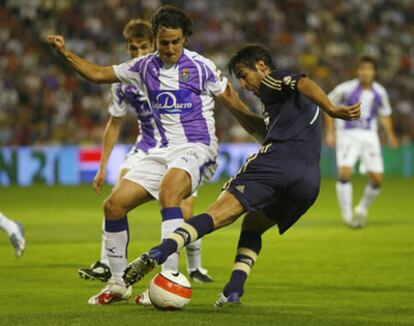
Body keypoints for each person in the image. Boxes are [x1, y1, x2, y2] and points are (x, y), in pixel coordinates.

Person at [47, 6, 265, 305]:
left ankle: (166, 279)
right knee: (113, 206)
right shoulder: (142, 67)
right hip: (161, 150)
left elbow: (233, 102)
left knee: (169, 192)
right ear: (156, 39)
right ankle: (117, 283)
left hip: (198, 147)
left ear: (184, 38)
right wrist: (65, 53)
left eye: (176, 41)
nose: (170, 48)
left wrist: (262, 134)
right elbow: (98, 74)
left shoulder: (201, 67)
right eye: (164, 42)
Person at [121, 45, 361, 306]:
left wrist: (332, 109)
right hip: (309, 182)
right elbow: (265, 126)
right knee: (252, 226)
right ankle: (234, 290)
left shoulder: (273, 78)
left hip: (276, 164)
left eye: (244, 75)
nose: (245, 84)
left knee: (215, 214)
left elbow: (303, 82)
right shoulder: (283, 106)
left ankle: (160, 251)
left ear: (260, 65)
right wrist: (235, 107)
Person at [76, 19, 212, 306]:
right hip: (149, 148)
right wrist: (103, 166)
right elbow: (113, 122)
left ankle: (185, 270)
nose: (138, 52)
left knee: (180, 205)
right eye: (132, 48)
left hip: (185, 149)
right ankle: (111, 272)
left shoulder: (185, 69)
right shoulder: (128, 79)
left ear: (152, 45)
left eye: (142, 47)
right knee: (115, 202)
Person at [325, 56, 398, 228]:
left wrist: (390, 135)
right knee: (344, 173)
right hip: (347, 134)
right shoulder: (345, 89)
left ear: (374, 72)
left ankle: (362, 208)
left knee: (377, 179)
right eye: (362, 69)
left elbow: (385, 114)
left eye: (369, 69)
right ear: (357, 71)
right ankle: (348, 216)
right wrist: (330, 133)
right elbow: (327, 106)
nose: (365, 72)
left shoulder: (379, 92)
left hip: (369, 135)